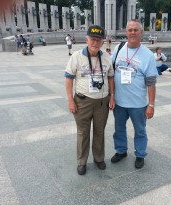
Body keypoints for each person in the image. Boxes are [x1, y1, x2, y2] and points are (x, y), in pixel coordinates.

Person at [64, 25, 115, 175]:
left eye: (99, 40)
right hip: (82, 101)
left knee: (100, 131)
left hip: (102, 102)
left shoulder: (106, 57)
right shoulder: (77, 56)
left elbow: (111, 77)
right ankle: (82, 162)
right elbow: (68, 78)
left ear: (102, 42)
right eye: (92, 39)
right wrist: (70, 100)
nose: (95, 42)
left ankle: (99, 158)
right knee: (83, 132)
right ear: (86, 39)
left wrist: (112, 96)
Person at [111, 19, 158, 169]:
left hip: (138, 104)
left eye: (135, 30)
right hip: (119, 102)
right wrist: (111, 96)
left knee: (140, 130)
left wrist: (151, 105)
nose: (132, 32)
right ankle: (121, 150)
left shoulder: (148, 55)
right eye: (130, 30)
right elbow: (110, 72)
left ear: (141, 33)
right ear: (126, 32)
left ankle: (140, 154)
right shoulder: (118, 48)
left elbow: (151, 83)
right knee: (119, 129)